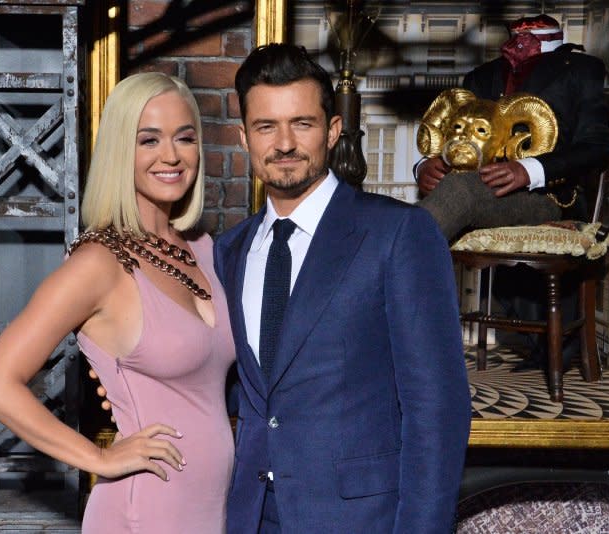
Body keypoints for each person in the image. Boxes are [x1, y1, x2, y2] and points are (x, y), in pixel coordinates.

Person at [215, 43, 472, 534]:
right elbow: (246, 388)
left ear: (332, 131)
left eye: (303, 124)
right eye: (266, 126)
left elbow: (437, 408)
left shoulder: (399, 234)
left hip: (358, 519)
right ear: (244, 137)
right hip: (249, 516)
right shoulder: (229, 250)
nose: (284, 143)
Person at [0, 72, 236, 533]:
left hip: (213, 507)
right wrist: (97, 458)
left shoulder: (204, 249)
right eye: (148, 140)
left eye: (184, 138)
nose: (171, 156)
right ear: (119, 150)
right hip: (145, 507)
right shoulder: (99, 263)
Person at [416, 14, 609, 241]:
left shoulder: (583, 69)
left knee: (460, 190)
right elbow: (460, 135)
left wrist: (528, 170)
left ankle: (390, 265)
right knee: (451, 191)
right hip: (474, 186)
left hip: (552, 198)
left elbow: (596, 148)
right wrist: (425, 166)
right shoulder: (481, 76)